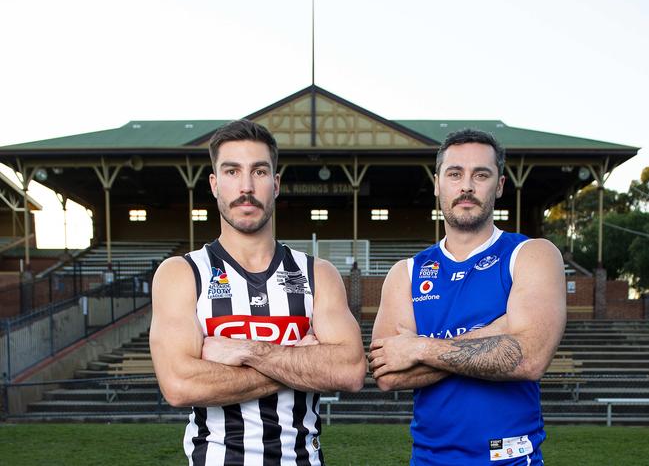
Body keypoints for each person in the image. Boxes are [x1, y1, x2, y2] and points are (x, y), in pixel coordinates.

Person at [150, 119, 366, 465]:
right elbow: (179, 384)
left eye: (260, 172)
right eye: (232, 171)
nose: (246, 186)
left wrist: (246, 351)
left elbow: (350, 370)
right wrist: (298, 361)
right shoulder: (182, 273)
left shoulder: (318, 274)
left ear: (276, 184)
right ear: (214, 184)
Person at [369, 129, 566, 465]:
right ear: (437, 183)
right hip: (429, 459)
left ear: (500, 185)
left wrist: (420, 348)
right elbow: (388, 374)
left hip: (512, 458)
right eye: (455, 173)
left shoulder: (532, 254)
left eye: (481, 174)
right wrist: (498, 331)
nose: (467, 186)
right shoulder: (406, 273)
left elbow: (529, 358)